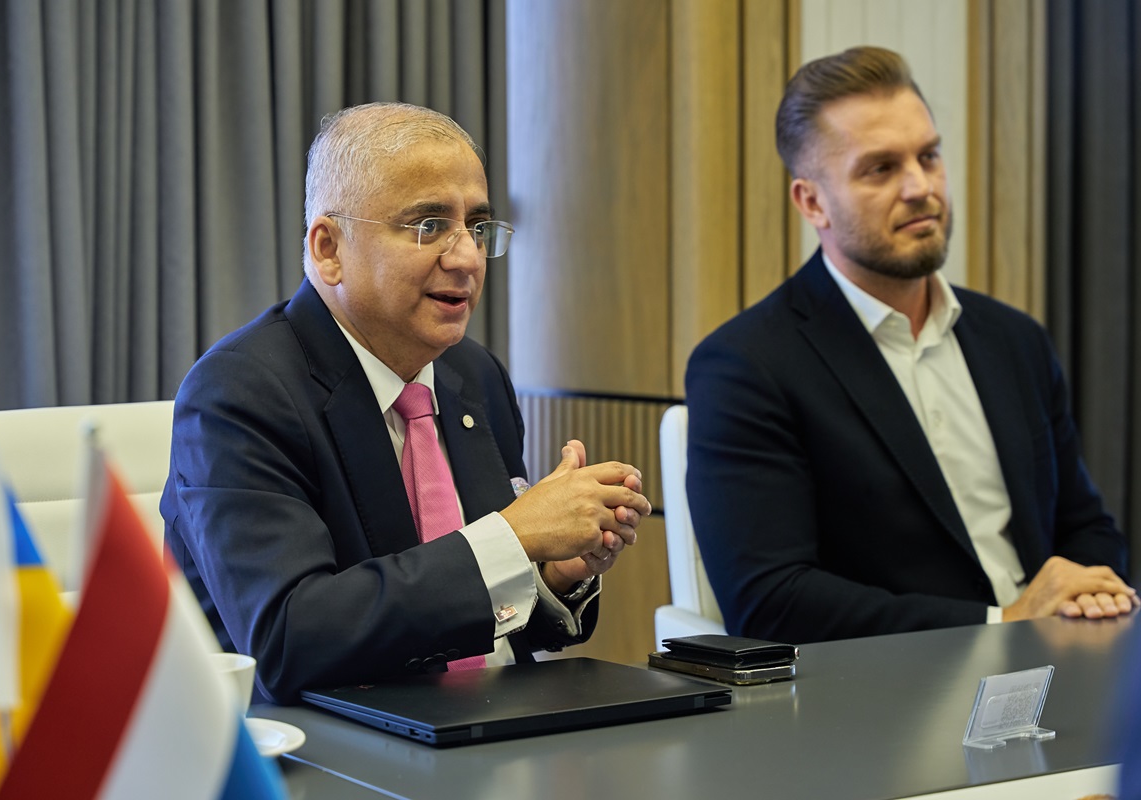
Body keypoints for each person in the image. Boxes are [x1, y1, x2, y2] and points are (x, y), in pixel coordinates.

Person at [161, 102, 652, 703]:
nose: (467, 258)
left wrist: (551, 575)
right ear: (329, 249)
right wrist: (513, 537)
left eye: (477, 227)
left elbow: (482, 615)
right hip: (329, 742)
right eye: (428, 225)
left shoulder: (474, 375)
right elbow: (288, 640)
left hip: (484, 725)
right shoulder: (239, 392)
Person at [685, 46, 1136, 644]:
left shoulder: (1015, 339)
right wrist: (1004, 624)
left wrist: (1087, 591)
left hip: (1060, 666)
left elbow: (1087, 527)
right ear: (812, 202)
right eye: (880, 169)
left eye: (928, 156)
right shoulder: (746, 366)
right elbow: (770, 601)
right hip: (892, 690)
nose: (921, 187)